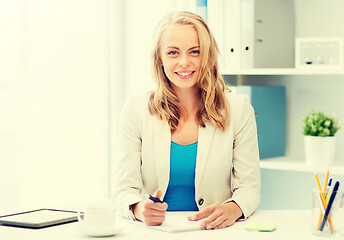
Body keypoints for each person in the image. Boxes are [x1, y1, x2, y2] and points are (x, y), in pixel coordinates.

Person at [113, 11, 260, 230]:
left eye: (195, 52)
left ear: (208, 56)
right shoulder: (136, 110)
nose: (184, 62)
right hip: (157, 232)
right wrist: (139, 209)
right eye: (173, 52)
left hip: (216, 231)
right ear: (160, 59)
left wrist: (232, 209)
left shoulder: (239, 109)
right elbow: (124, 190)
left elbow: (249, 187)